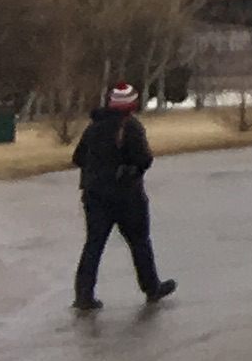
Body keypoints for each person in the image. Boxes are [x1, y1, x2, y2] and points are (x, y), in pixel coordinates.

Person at [71, 81, 175, 315]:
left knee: (94, 244)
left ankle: (84, 295)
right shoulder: (132, 127)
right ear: (131, 105)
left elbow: (77, 158)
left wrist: (98, 169)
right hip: (127, 196)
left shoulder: (93, 127)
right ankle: (151, 287)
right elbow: (144, 159)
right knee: (139, 242)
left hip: (95, 195)